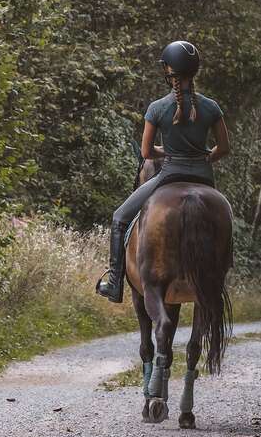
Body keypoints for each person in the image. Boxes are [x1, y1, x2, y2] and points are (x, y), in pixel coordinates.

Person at [95, 40, 231, 303]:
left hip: (168, 176)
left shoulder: (157, 108)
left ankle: (114, 284)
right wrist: (204, 158)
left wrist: (167, 152)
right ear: (195, 70)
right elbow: (224, 148)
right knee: (225, 216)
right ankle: (221, 275)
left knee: (120, 218)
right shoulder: (212, 107)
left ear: (169, 71)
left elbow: (146, 152)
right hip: (204, 177)